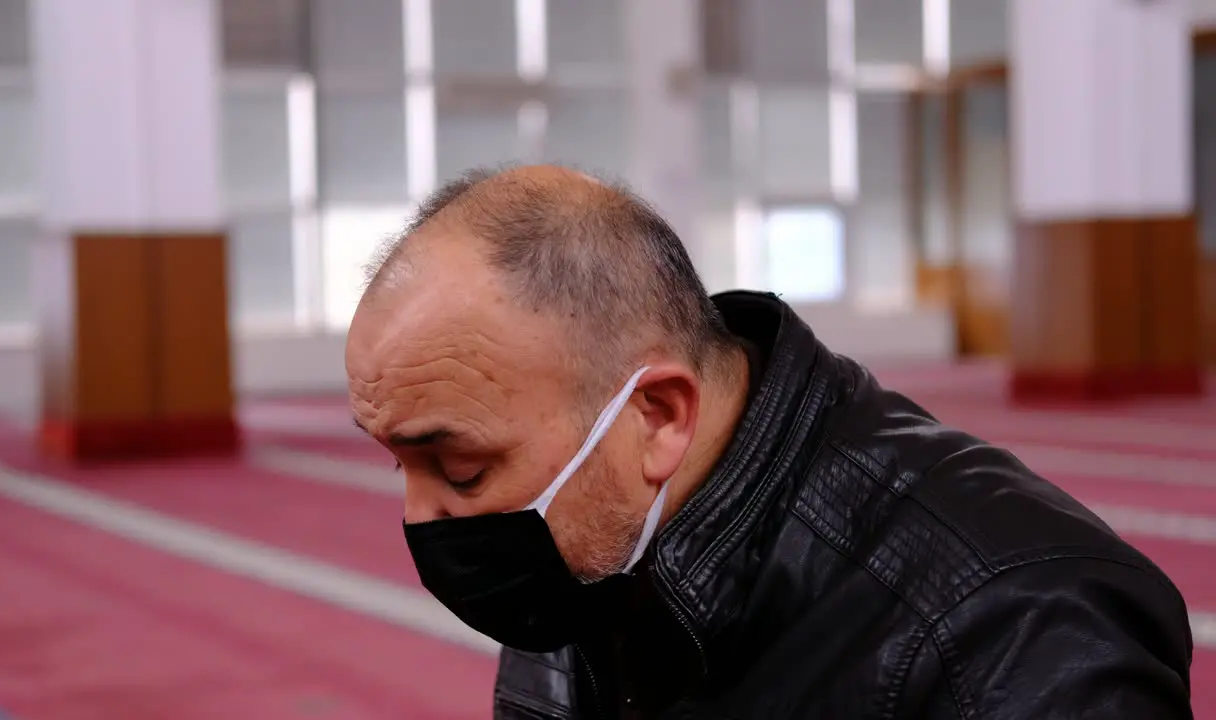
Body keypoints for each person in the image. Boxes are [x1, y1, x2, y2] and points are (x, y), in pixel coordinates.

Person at [344, 164, 1193, 719]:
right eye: (399, 462)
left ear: (658, 418)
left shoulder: (1013, 629)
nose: (422, 518)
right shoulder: (602, 541)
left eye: (459, 467)